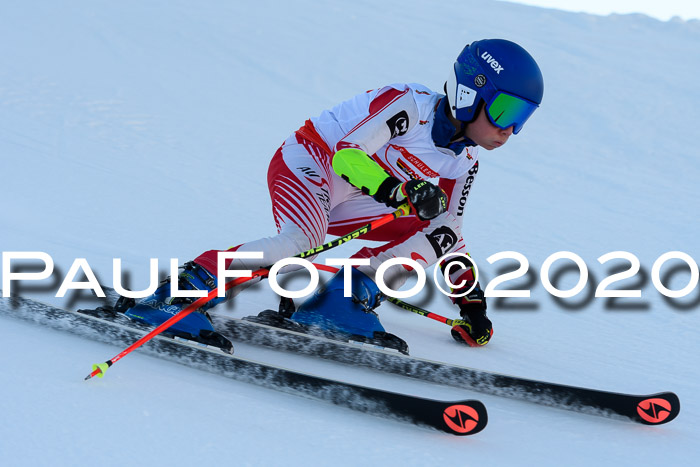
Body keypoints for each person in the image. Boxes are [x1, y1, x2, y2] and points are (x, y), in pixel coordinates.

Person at [116, 38, 544, 352]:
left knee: (437, 230)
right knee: (300, 242)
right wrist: (397, 190)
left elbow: (450, 236)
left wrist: (471, 302)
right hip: (309, 163)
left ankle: (342, 299)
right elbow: (348, 155)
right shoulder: (410, 106)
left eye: (521, 118)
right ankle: (178, 294)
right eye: (505, 110)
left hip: (354, 199)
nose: (510, 129)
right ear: (471, 93)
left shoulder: (463, 163)